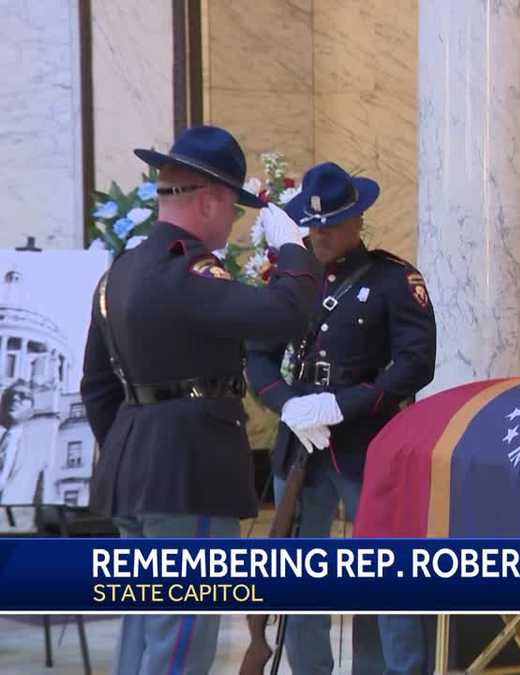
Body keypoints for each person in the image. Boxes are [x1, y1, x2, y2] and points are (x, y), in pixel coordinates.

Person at [80, 125, 321, 674]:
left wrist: (135, 448)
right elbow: (287, 311)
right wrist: (292, 248)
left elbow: (97, 386)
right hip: (187, 476)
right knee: (182, 641)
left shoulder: (118, 273)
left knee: (143, 631)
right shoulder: (189, 271)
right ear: (210, 200)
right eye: (233, 208)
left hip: (132, 474)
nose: (232, 221)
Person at [247, 161, 437, 674]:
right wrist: (287, 402)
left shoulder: (395, 279)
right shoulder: (292, 281)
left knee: (383, 575)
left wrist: (341, 404)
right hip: (302, 441)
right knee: (299, 577)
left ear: (357, 222)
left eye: (332, 225)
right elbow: (258, 355)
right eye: (313, 226)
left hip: (370, 441)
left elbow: (416, 363)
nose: (321, 235)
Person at [0, 380, 38, 505]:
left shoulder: (39, 449)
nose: (15, 398)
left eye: (22, 396)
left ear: (32, 410)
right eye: (9, 396)